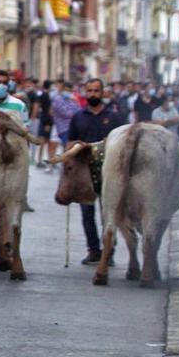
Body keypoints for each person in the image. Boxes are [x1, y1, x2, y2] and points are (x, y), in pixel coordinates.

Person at [68, 78, 127, 265]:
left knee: (108, 213)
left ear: (103, 93)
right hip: (85, 172)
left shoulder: (114, 116)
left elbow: (122, 143)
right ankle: (93, 250)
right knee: (87, 213)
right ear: (85, 93)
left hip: (108, 171)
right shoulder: (78, 117)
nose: (93, 94)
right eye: (90, 90)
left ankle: (108, 250)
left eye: (96, 90)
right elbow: (70, 142)